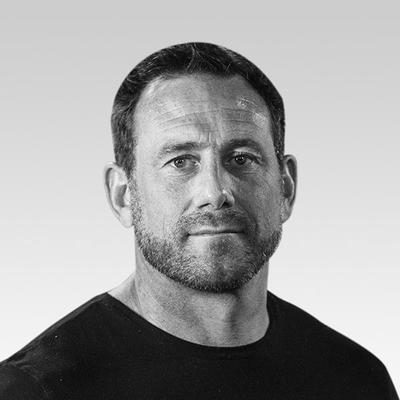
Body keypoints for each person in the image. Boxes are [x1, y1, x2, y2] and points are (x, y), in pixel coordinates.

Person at [0, 42, 397, 400]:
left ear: (286, 188)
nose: (216, 191)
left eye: (241, 158)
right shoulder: (36, 389)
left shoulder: (356, 379)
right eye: (180, 162)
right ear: (123, 195)